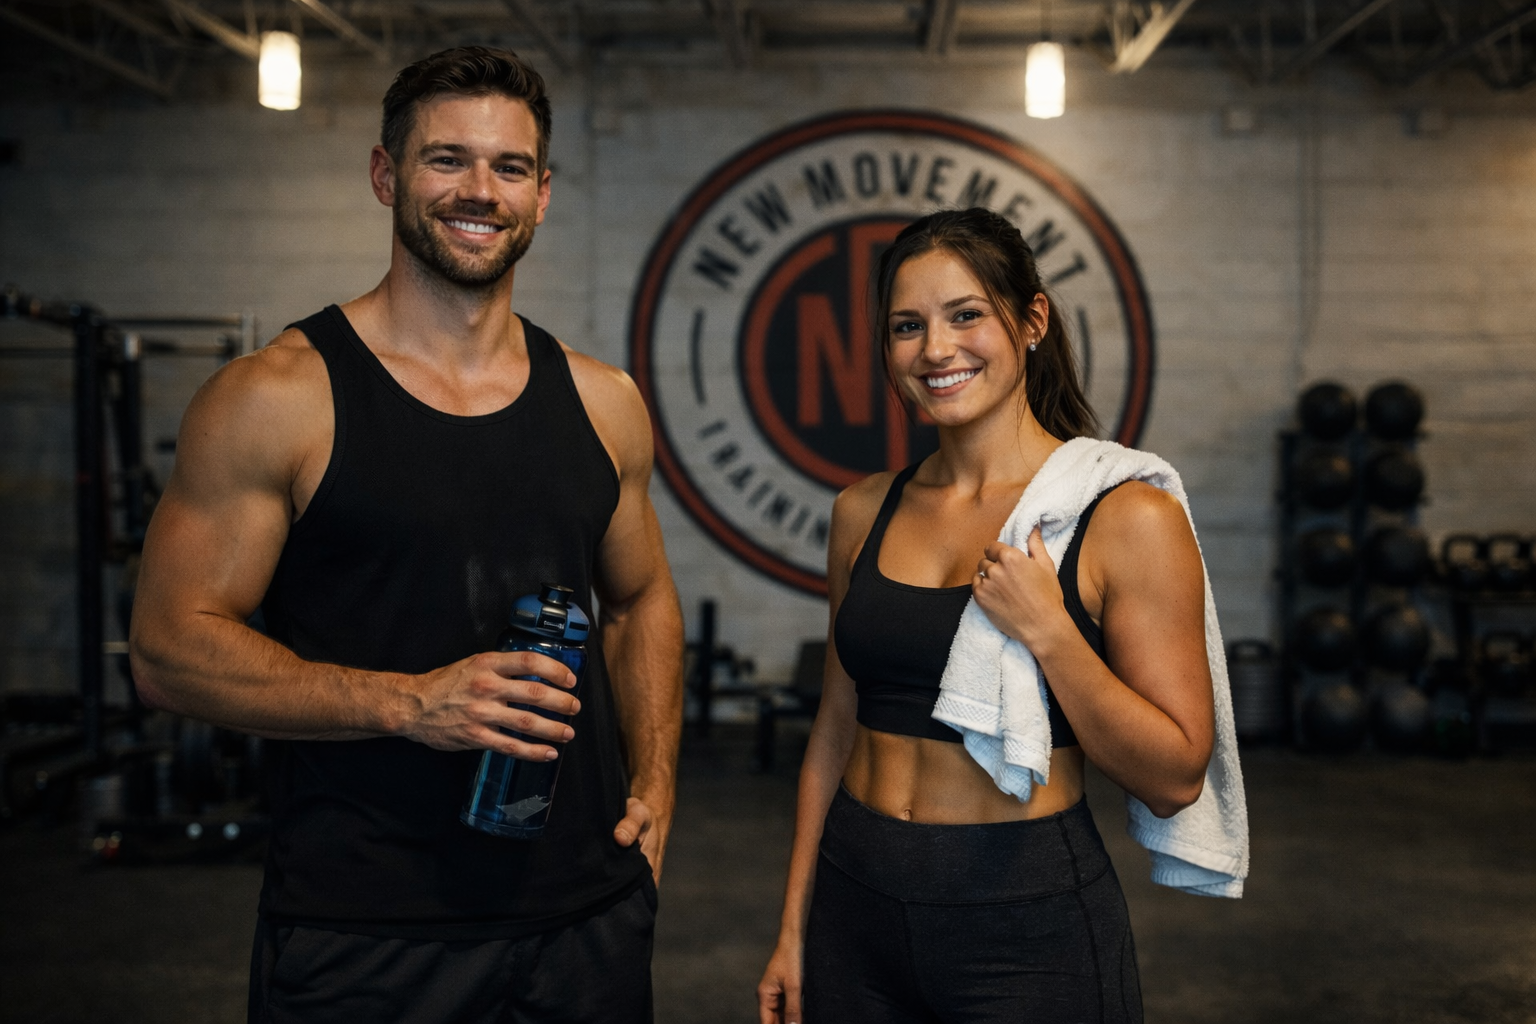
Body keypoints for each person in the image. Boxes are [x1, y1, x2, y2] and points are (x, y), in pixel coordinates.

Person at [129, 46, 684, 1023]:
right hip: (367, 933)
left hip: (585, 923)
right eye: (446, 160)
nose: (480, 190)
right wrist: (409, 702)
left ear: (543, 194)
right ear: (386, 174)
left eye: (509, 167)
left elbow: (639, 601)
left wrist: (657, 787)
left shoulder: (606, 402)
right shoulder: (278, 398)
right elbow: (169, 651)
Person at [756, 208, 1218, 1024]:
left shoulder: (1122, 517)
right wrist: (794, 926)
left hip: (1022, 919)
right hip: (853, 904)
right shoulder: (863, 510)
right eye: (907, 326)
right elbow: (835, 728)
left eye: (966, 314)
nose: (936, 350)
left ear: (1032, 320)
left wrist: (1048, 629)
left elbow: (1176, 776)